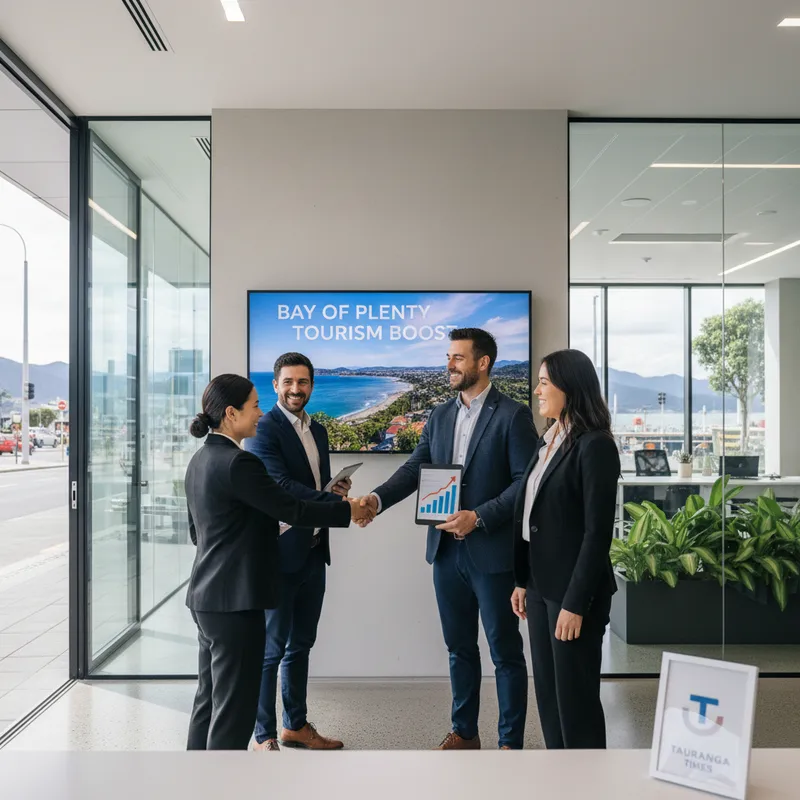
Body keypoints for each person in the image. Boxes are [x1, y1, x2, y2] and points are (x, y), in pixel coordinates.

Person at [360, 328, 536, 750]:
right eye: (448, 357)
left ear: (483, 362)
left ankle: (510, 742)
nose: (449, 365)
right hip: (444, 554)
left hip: (491, 554)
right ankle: (465, 731)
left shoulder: (512, 415)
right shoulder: (439, 415)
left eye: (458, 357)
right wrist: (376, 499)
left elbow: (524, 485)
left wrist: (478, 517)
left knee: (505, 654)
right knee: (459, 649)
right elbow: (414, 470)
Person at [184, 374, 373, 751]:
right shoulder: (240, 463)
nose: (259, 414)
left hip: (207, 599)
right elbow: (291, 507)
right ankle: (223, 788)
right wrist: (345, 509)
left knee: (207, 703)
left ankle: (195, 783)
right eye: (254, 406)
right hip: (236, 602)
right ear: (231, 413)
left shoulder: (201, 459)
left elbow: (199, 532)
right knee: (233, 713)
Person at [511, 349, 620, 750]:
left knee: (576, 703)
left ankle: (590, 785)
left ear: (569, 388)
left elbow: (597, 534)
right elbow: (531, 517)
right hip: (540, 587)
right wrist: (523, 580)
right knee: (549, 699)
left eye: (544, 382)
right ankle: (561, 780)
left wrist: (575, 604)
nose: (537, 390)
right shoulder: (548, 440)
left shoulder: (595, 446)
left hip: (575, 593)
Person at [245, 353, 351, 752]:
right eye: (288, 382)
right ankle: (264, 735)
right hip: (279, 555)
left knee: (301, 644)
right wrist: (339, 508)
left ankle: (295, 725)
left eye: (303, 382)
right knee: (271, 650)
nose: (295, 389)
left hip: (313, 551)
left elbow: (314, 487)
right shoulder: (264, 428)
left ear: (312, 385)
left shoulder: (318, 430)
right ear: (275, 384)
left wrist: (333, 492)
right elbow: (282, 486)